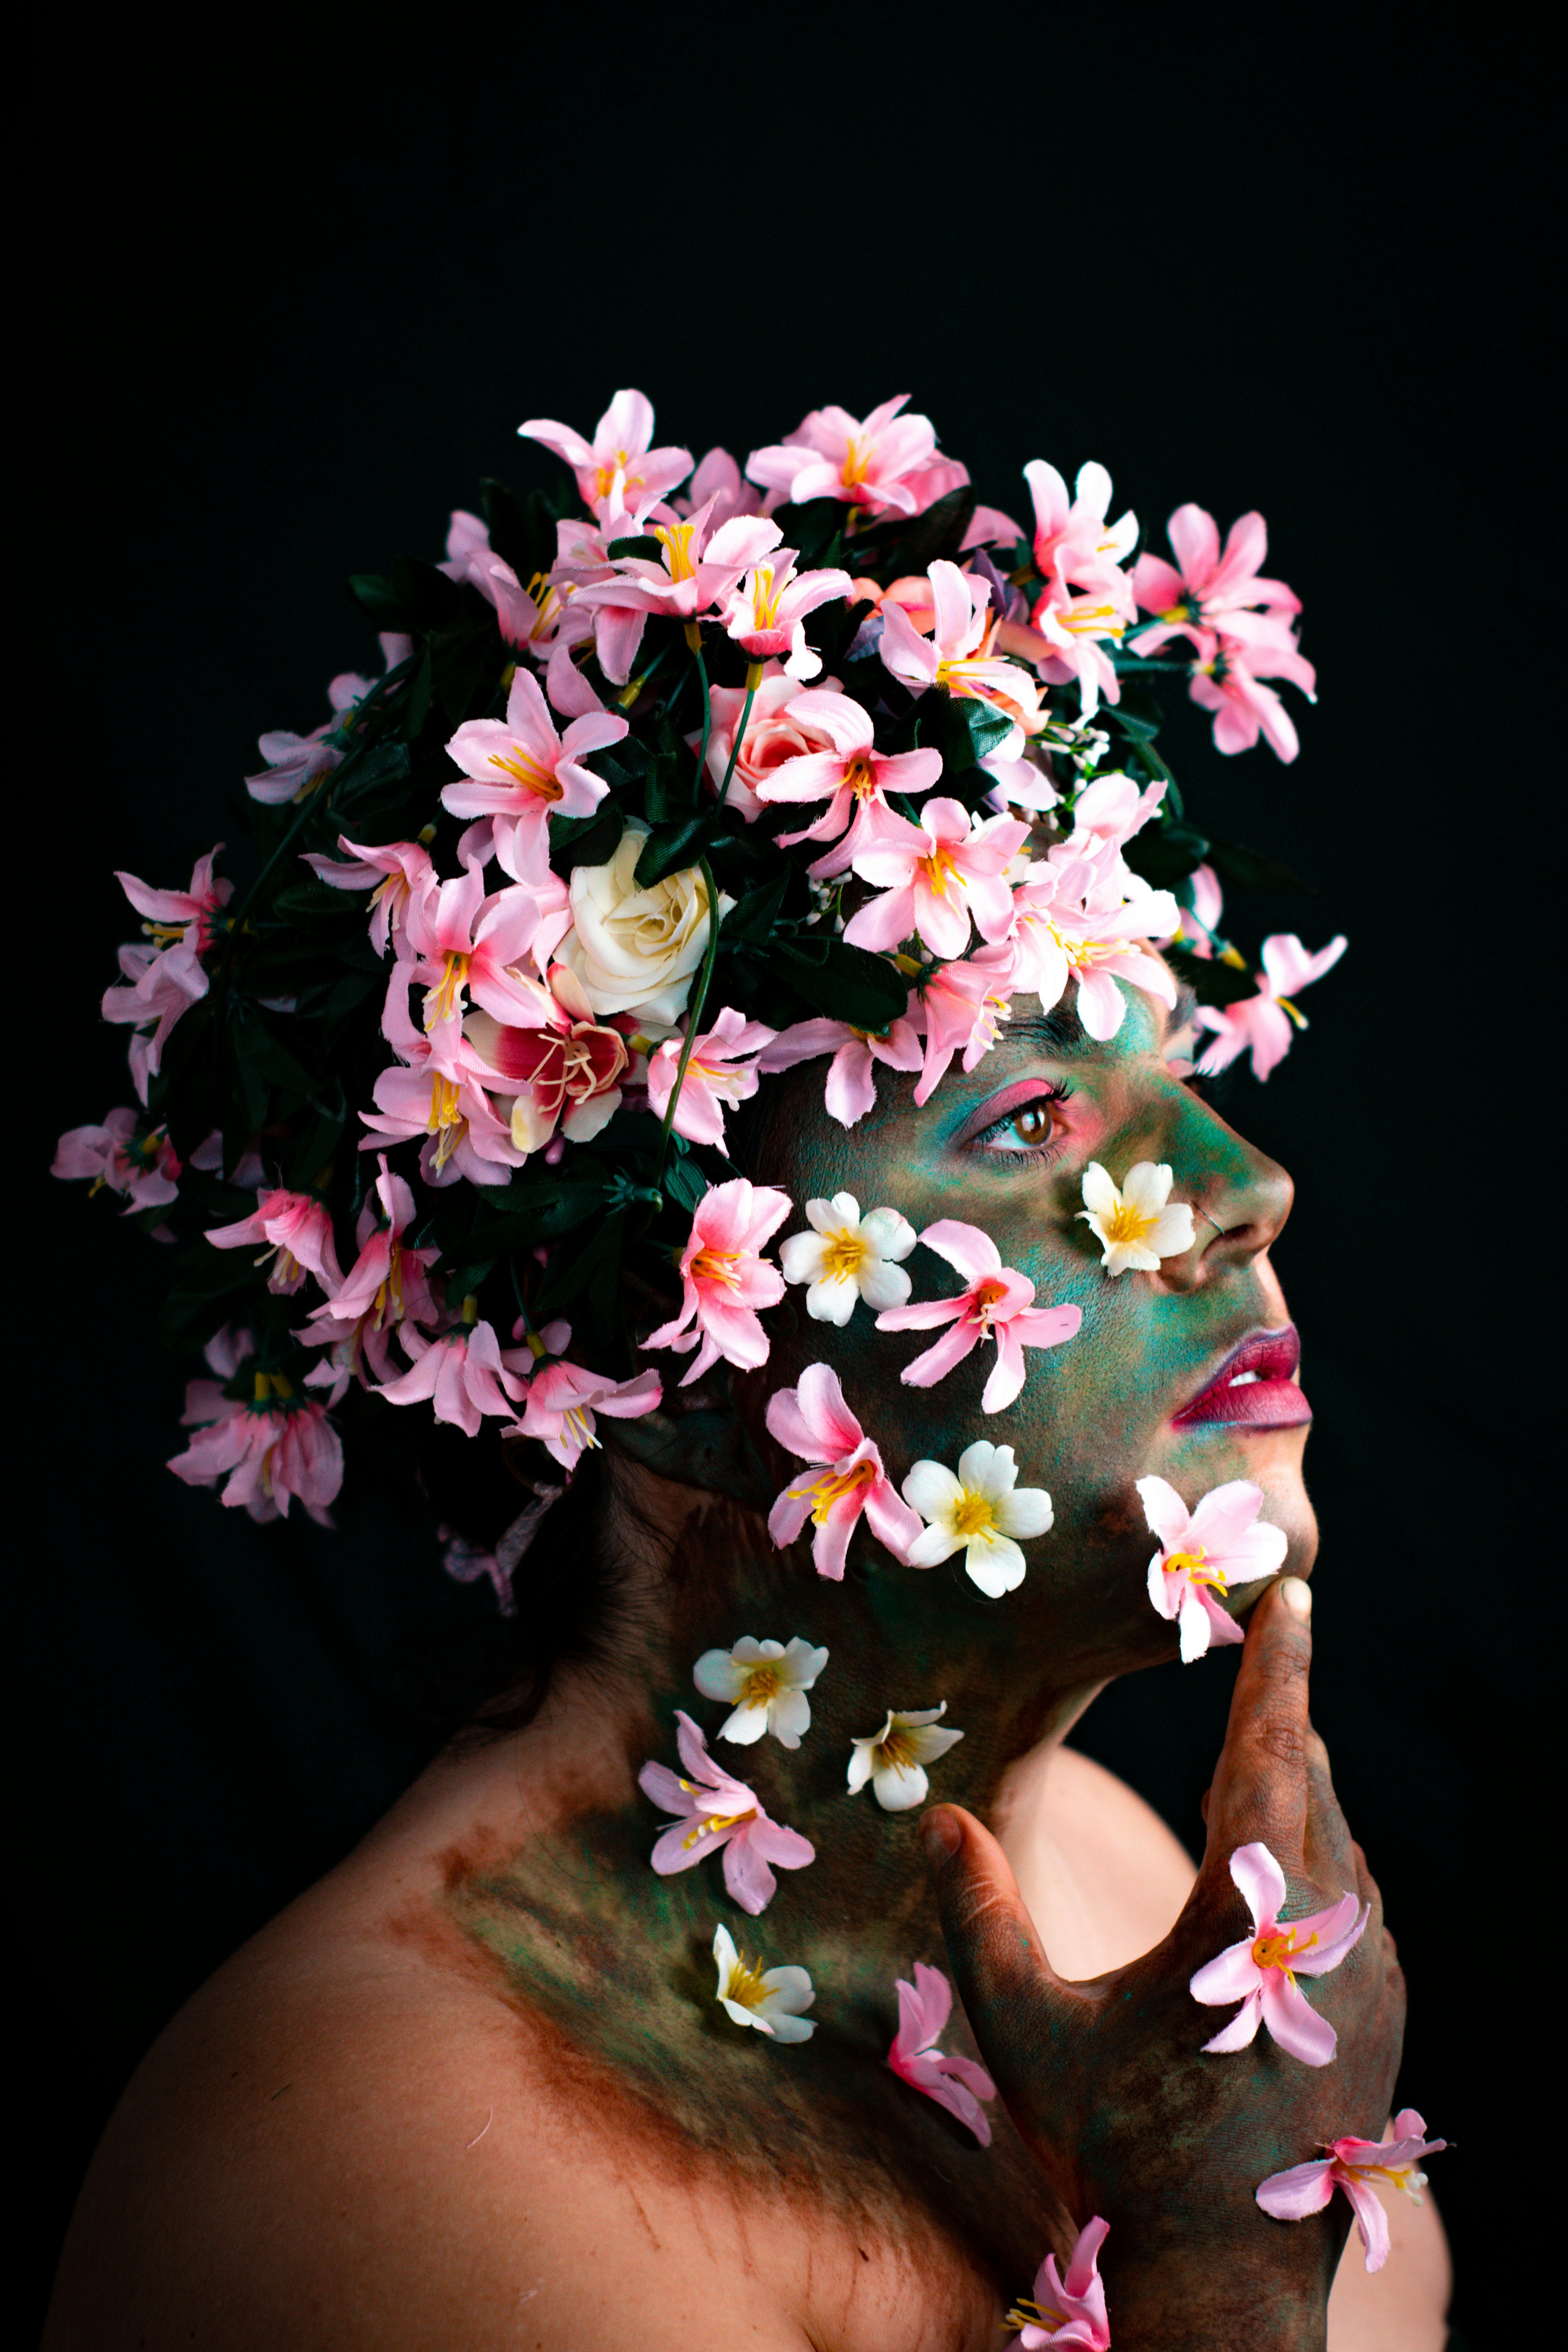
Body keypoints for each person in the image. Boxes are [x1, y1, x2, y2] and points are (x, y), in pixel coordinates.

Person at [45, 391, 1452, 2347]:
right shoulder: (400, 2172)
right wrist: (1218, 2278)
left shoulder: (1151, 1904)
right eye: (1036, 1119)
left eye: (1185, 1080)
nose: (1241, 1187)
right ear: (670, 1353)